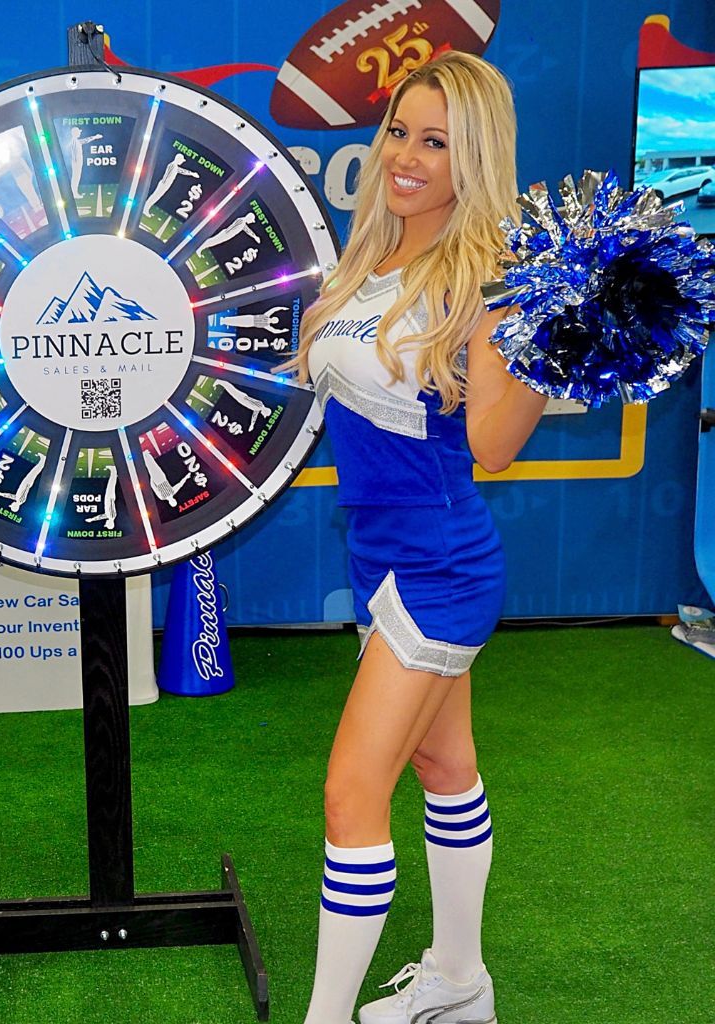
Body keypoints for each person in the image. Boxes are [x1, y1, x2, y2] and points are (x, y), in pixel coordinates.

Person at [279, 52, 548, 1024]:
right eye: (398, 130)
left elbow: (491, 444)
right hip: (377, 559)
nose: (403, 155)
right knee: (443, 767)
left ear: (472, 157)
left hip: (440, 562)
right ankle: (458, 981)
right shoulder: (370, 259)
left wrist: (542, 341)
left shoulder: (488, 281)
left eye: (435, 142)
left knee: (351, 796)